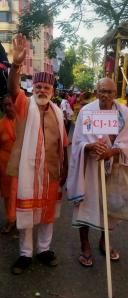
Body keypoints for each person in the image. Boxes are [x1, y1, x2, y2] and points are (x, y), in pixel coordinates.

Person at [7, 34, 68, 275]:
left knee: (48, 214)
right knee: (27, 215)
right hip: (28, 171)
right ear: (33, 87)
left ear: (52, 90)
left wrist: (65, 169)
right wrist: (16, 64)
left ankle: (44, 250)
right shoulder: (24, 103)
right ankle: (25, 254)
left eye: (46, 87)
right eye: (39, 86)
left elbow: (63, 144)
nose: (42, 90)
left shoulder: (58, 112)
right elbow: (13, 88)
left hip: (51, 171)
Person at [67, 77, 128, 267]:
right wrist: (89, 147)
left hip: (112, 167)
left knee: (110, 208)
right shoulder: (86, 111)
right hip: (89, 168)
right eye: (102, 91)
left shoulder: (122, 113)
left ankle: (104, 242)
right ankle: (85, 245)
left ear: (116, 94)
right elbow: (78, 142)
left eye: (110, 92)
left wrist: (111, 151)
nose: (105, 95)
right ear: (96, 91)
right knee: (86, 206)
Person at [0, 95, 17, 234]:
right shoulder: (0, 124)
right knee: (8, 195)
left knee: (20, 193)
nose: (7, 107)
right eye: (5, 105)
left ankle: (19, 218)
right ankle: (10, 220)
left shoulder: (22, 121)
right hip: (5, 164)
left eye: (9, 104)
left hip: (20, 163)